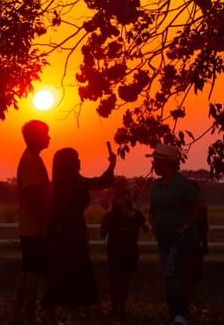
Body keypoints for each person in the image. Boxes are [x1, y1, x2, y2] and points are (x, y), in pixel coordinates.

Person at [42, 145, 116, 325]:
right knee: (75, 272)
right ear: (70, 163)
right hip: (72, 233)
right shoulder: (76, 181)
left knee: (58, 272)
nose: (79, 160)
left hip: (58, 233)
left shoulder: (59, 184)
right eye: (76, 157)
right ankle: (73, 314)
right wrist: (112, 165)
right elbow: (102, 182)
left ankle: (49, 313)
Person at [148, 143, 205, 325]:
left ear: (166, 163)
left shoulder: (182, 184)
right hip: (163, 237)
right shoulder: (157, 185)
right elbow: (153, 209)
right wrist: (153, 225)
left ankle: (180, 314)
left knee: (173, 273)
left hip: (180, 237)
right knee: (169, 276)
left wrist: (186, 226)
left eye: (156, 162)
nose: (154, 166)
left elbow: (199, 207)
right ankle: (177, 315)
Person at [11, 120, 51, 325]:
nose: (49, 138)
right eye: (46, 134)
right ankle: (29, 315)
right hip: (33, 225)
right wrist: (44, 223)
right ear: (36, 137)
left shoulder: (31, 158)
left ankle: (20, 313)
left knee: (29, 270)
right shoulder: (31, 161)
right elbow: (35, 196)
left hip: (29, 224)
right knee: (33, 271)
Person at [100, 189, 148, 318]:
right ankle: (117, 306)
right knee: (118, 280)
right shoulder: (110, 216)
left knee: (122, 280)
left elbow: (146, 227)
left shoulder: (135, 214)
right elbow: (102, 233)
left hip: (128, 252)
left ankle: (119, 307)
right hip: (116, 252)